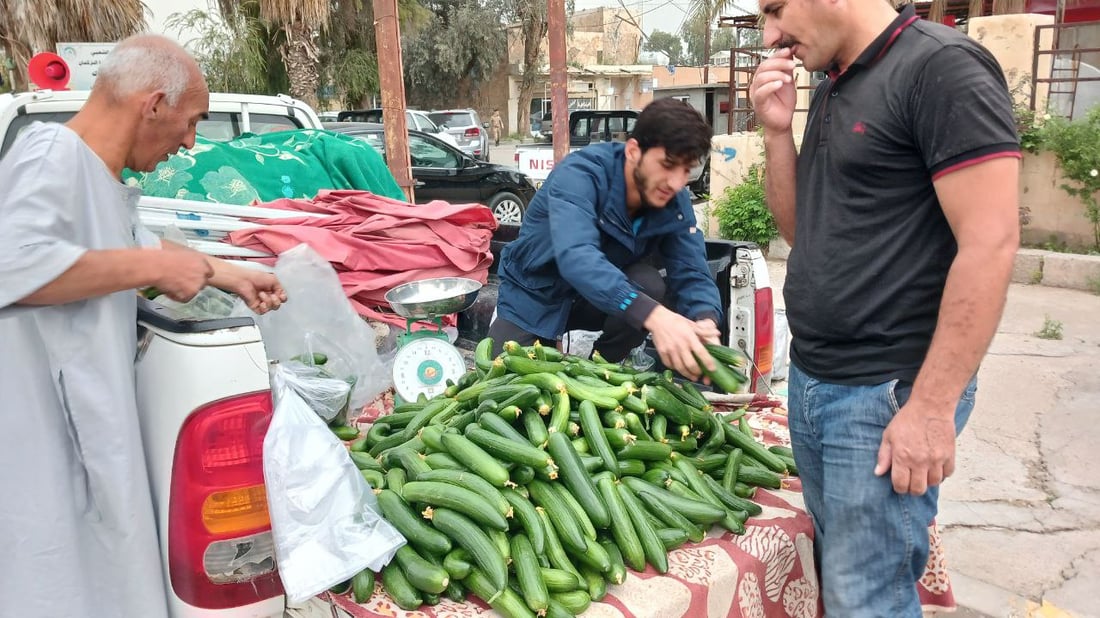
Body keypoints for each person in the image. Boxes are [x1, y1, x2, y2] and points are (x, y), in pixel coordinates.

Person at [0, 34, 287, 618]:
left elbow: (130, 247)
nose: (188, 144)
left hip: (92, 432)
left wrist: (225, 272)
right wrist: (158, 265)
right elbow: (13, 262)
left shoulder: (98, 178)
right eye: (190, 123)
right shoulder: (49, 153)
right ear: (152, 103)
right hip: (44, 437)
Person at [750, 0, 1020, 615]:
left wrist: (931, 407)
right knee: (842, 583)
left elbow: (991, 243)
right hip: (817, 380)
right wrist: (775, 133)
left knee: (865, 599)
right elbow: (803, 233)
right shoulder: (832, 84)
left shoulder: (941, 67)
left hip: (887, 390)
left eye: (774, 9)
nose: (770, 35)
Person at [489, 98, 721, 380]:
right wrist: (655, 316)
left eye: (686, 171)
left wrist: (705, 318)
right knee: (500, 382)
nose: (675, 182)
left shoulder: (673, 198)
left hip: (601, 299)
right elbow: (577, 257)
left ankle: (599, 370)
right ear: (634, 151)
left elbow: (692, 270)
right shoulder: (580, 174)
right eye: (667, 164)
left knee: (649, 284)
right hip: (536, 292)